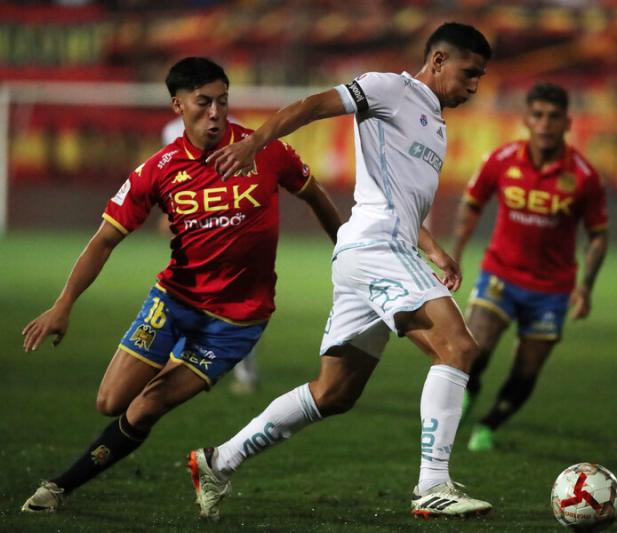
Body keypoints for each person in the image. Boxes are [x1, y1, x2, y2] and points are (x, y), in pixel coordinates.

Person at [187, 22, 493, 520]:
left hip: (375, 251)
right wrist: (253, 144)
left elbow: (396, 200)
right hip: (374, 250)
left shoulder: (434, 123)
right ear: (438, 61)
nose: (475, 85)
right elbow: (308, 106)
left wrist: (432, 249)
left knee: (334, 392)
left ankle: (218, 461)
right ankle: (432, 486)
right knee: (457, 347)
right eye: (470, 73)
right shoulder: (389, 88)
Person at [20, 57, 342, 513]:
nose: (216, 112)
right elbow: (105, 239)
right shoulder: (159, 168)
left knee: (149, 406)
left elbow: (315, 195)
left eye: (223, 101)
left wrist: (346, 252)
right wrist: (63, 304)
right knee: (111, 400)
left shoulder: (262, 150)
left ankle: (57, 488)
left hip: (236, 322)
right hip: (175, 301)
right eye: (204, 102)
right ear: (178, 105)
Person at [450, 82, 608, 452]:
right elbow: (472, 203)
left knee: (526, 370)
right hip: (501, 275)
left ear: (567, 122)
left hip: (552, 291)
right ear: (526, 119)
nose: (545, 124)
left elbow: (598, 234)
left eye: (554, 117)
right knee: (475, 348)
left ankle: (488, 426)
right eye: (538, 115)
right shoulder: (501, 159)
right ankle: (469, 391)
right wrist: (454, 252)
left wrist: (586, 287)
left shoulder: (584, 176)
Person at [161, 115, 261, 394]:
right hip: (195, 228)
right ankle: (188, 361)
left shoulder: (239, 131)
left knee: (232, 301)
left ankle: (243, 372)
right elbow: (173, 175)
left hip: (228, 224)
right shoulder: (171, 131)